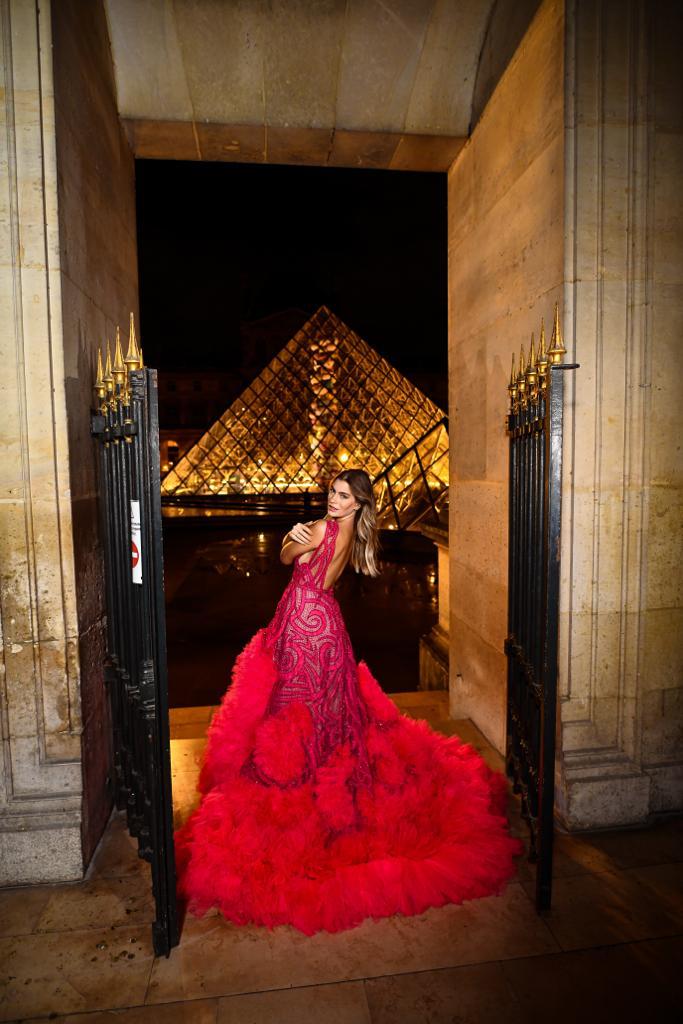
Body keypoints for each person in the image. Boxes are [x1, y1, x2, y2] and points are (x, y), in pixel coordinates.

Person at [174, 468, 522, 935]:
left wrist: (290, 539)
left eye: (342, 495)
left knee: (293, 712)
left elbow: (286, 559)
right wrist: (297, 540)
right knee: (329, 712)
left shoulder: (321, 528)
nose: (333, 500)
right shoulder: (354, 533)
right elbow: (318, 567)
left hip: (302, 627)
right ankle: (326, 777)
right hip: (329, 627)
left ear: (357, 502)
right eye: (332, 493)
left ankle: (300, 783)